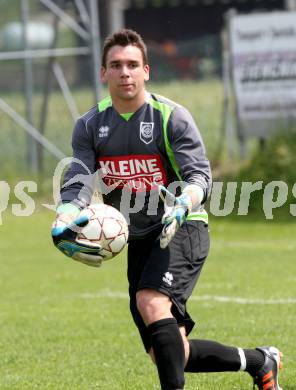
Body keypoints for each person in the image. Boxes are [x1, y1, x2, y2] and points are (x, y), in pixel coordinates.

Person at [51, 29, 282, 390]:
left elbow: (198, 176)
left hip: (182, 226)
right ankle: (260, 360)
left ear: (147, 70)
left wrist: (182, 204)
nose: (124, 72)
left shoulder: (170, 117)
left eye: (132, 65)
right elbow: (80, 175)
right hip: (139, 237)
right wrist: (66, 212)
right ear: (103, 73)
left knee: (151, 301)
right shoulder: (90, 125)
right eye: (116, 65)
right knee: (170, 350)